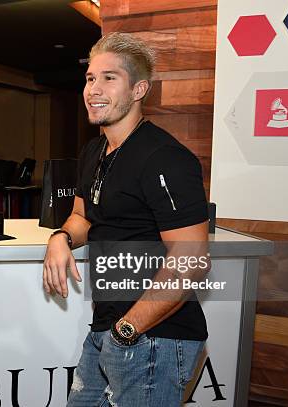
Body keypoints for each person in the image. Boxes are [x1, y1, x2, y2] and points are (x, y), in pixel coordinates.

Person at [43, 32, 210, 406]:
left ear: (139, 90)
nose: (93, 89)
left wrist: (128, 330)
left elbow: (191, 261)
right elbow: (84, 216)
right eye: (90, 78)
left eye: (109, 78)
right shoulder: (94, 151)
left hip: (155, 336)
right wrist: (61, 238)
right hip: (109, 328)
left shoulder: (165, 157)